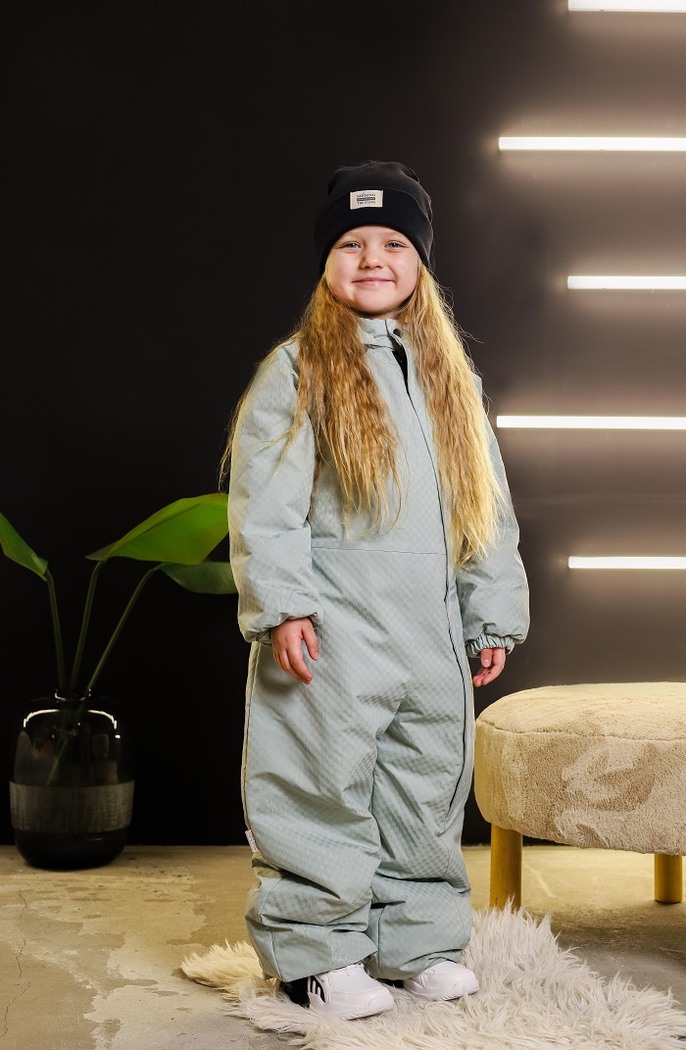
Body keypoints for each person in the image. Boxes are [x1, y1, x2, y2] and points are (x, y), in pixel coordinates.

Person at [221, 160, 529, 1021]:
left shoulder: (450, 382)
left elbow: (485, 510)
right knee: (319, 786)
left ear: (420, 260)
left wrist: (490, 613)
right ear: (326, 262)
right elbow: (266, 503)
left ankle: (414, 944)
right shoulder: (298, 371)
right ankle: (317, 957)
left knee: (425, 789)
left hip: (429, 631)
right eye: (351, 244)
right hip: (335, 629)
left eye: (393, 243)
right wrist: (284, 605)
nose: (372, 260)